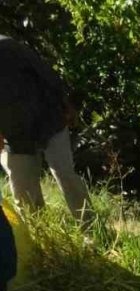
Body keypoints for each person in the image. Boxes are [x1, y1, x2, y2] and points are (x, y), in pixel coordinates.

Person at [0, 35, 93, 225]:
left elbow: (46, 73)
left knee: (64, 174)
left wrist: (66, 105)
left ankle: (91, 229)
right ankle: (40, 238)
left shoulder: (9, 47)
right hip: (15, 135)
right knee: (22, 190)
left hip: (48, 118)